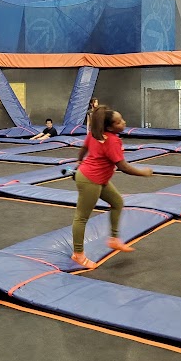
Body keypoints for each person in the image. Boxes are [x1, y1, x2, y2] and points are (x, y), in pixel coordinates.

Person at [70, 105, 153, 268]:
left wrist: (79, 161)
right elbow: (123, 167)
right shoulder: (112, 141)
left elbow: (83, 149)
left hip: (96, 177)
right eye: (119, 122)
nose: (124, 122)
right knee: (81, 217)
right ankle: (78, 254)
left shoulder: (96, 134)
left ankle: (114, 239)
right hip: (90, 180)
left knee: (117, 202)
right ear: (109, 127)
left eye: (122, 120)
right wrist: (144, 172)